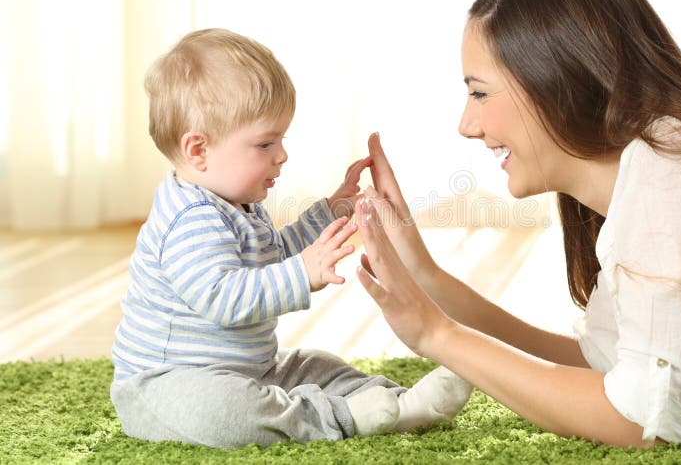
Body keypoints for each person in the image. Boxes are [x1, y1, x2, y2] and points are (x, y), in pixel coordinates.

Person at [353, 0, 681, 461]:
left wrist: (438, 336)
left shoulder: (680, 170)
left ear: (554, 82)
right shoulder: (658, 166)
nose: (467, 124)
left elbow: (641, 418)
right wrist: (424, 274)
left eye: (479, 93)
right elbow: (606, 373)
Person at [109, 28, 472, 449]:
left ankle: (400, 403)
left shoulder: (236, 203)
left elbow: (273, 254)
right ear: (198, 151)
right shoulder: (187, 217)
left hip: (250, 367)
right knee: (226, 413)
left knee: (318, 366)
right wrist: (303, 273)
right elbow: (223, 298)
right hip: (169, 384)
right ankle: (343, 417)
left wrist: (330, 211)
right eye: (265, 143)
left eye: (281, 139)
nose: (281, 155)